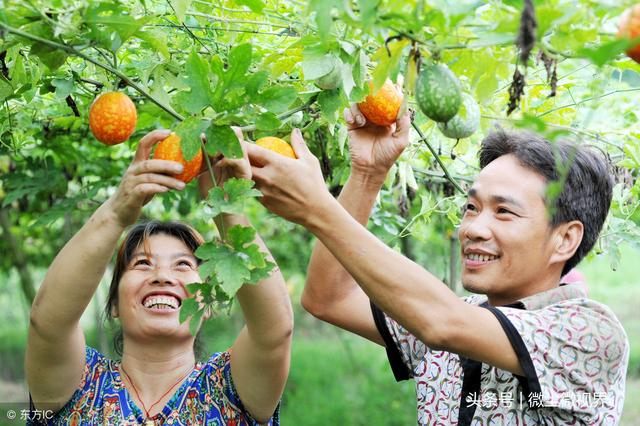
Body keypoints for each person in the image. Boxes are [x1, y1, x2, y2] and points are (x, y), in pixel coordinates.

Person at [244, 108, 629, 424]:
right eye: (471, 208)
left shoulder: (590, 333)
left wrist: (318, 208)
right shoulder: (459, 316)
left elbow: (442, 325)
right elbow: (329, 298)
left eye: (504, 212)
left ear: (565, 238)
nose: (474, 228)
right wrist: (366, 173)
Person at [26, 129, 293, 425]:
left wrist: (226, 207)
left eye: (182, 265)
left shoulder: (229, 389)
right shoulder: (80, 386)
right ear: (113, 303)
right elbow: (47, 323)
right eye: (142, 264)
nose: (163, 276)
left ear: (207, 304)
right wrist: (116, 212)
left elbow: (275, 330)